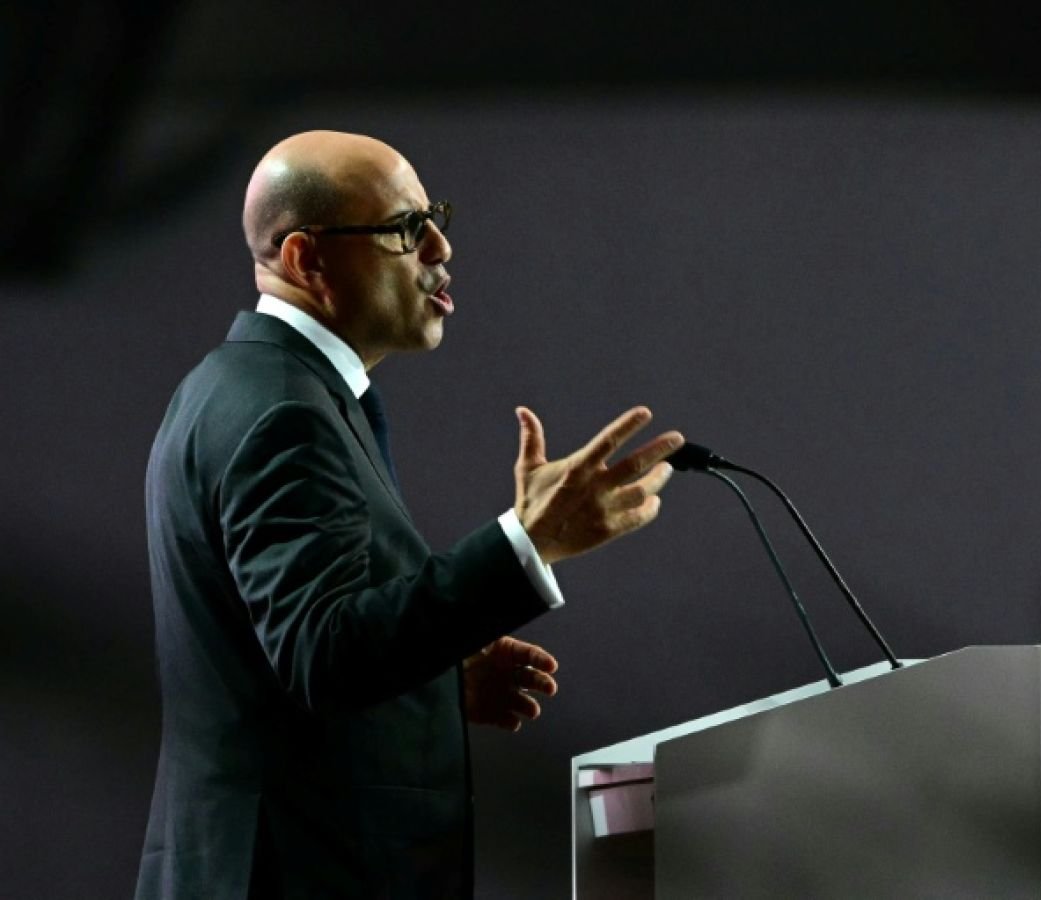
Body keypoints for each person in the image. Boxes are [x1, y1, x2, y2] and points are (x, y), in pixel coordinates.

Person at [134, 130, 683, 899]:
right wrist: (527, 542)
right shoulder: (283, 413)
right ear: (305, 258)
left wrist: (429, 682)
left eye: (434, 219)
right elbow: (323, 653)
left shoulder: (249, 387)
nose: (438, 248)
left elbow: (286, 663)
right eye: (403, 228)